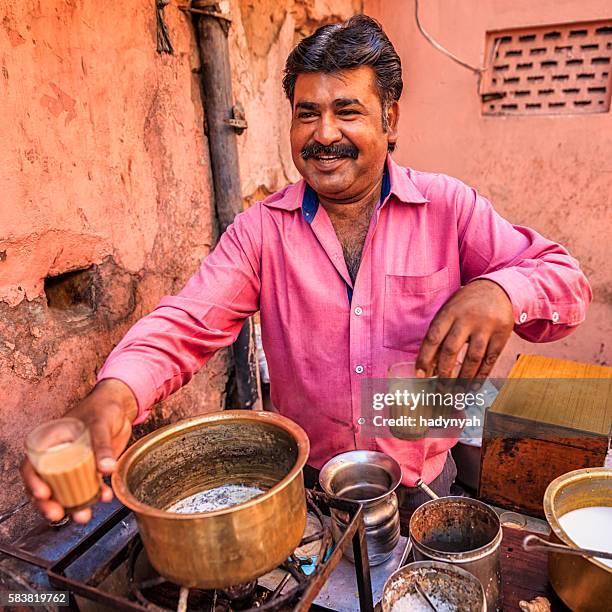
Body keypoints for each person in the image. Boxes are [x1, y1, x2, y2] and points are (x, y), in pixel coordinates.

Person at [21, 15, 591, 523]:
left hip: (424, 484)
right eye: (307, 114)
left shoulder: (449, 208)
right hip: (310, 491)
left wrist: (501, 290)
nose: (323, 134)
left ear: (390, 120)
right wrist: (115, 395)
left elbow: (564, 280)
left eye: (347, 111)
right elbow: (184, 324)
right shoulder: (260, 231)